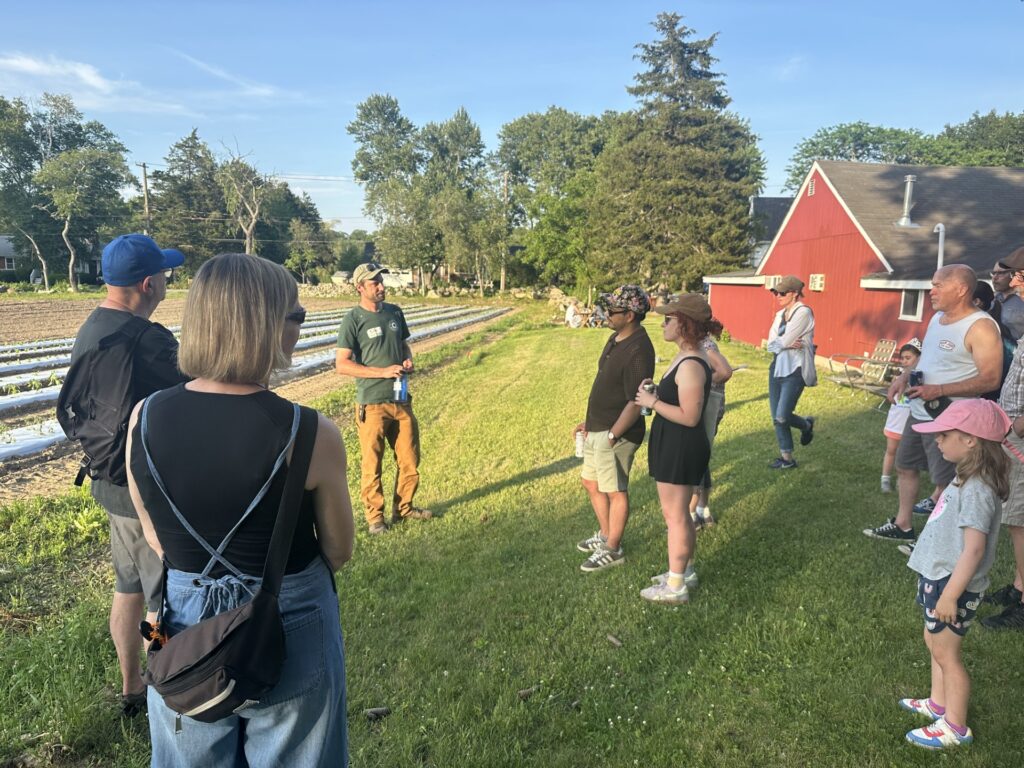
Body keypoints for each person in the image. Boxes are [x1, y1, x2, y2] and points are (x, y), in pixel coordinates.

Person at [126, 253, 354, 766]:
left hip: (181, 620)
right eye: (295, 315)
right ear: (266, 324)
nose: (300, 325)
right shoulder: (310, 432)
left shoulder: (144, 417)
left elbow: (155, 535)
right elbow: (339, 550)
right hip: (287, 613)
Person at [58, 234, 187, 716]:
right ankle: (164, 694)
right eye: (166, 278)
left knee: (127, 586)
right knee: (162, 602)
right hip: (146, 491)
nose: (168, 286)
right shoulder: (148, 339)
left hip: (107, 481)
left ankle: (132, 688)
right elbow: (192, 394)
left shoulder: (93, 326)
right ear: (149, 284)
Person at [897, 399, 1010, 749]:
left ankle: (955, 727)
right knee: (934, 641)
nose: (938, 441)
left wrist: (950, 595)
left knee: (948, 654)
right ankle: (937, 703)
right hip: (939, 577)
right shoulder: (965, 478)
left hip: (952, 585)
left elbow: (974, 550)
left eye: (945, 435)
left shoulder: (978, 489)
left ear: (971, 440)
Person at [865, 265, 1002, 544]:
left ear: (962, 289)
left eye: (939, 285)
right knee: (905, 465)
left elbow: (990, 379)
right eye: (932, 285)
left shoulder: (982, 327)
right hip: (919, 412)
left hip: (951, 419)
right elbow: (927, 358)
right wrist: (903, 376)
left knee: (946, 482)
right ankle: (903, 525)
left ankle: (936, 539)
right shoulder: (937, 318)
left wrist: (939, 389)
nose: (931, 291)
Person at [634, 294, 717, 604]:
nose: (663, 323)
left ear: (685, 323)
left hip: (682, 445)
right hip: (672, 441)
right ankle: (685, 570)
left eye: (669, 318)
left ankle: (676, 585)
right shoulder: (684, 356)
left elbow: (690, 416)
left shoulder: (693, 362)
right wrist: (658, 391)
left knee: (676, 516)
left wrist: (653, 402)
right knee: (677, 514)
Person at [336, 262, 429, 534]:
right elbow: (342, 364)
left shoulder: (395, 312)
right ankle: (375, 519)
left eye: (381, 281)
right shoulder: (352, 319)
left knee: (410, 460)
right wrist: (383, 371)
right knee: (372, 463)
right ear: (360, 287)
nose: (381, 286)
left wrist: (407, 359)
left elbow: (403, 345)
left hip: (401, 399)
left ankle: (405, 509)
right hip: (372, 403)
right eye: (374, 282)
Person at [573, 285, 655, 572]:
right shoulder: (616, 338)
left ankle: (614, 548)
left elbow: (637, 400)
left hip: (616, 433)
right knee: (591, 483)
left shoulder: (639, 350)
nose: (606, 314)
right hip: (599, 427)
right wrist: (590, 422)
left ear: (630, 314)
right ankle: (606, 534)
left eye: (612, 310)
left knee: (615, 490)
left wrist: (612, 434)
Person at [985, 247, 1024, 630]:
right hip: (1011, 426)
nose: (1012, 281)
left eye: (1017, 275)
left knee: (1022, 519)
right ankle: (1018, 585)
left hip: (1020, 433)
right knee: (1015, 516)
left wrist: (1017, 427)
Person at [765, 275, 817, 469]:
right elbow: (770, 345)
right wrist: (783, 344)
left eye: (782, 292)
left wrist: (782, 344)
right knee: (776, 417)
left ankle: (806, 426)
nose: (778, 295)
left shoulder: (803, 313)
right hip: (776, 367)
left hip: (795, 370)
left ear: (794, 294)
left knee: (782, 416)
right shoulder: (779, 315)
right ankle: (787, 459)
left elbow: (783, 342)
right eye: (776, 292)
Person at [691, 331, 733, 528]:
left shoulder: (704, 345)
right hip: (708, 410)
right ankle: (702, 508)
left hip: (705, 411)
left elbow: (724, 371)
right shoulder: (700, 344)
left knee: (695, 457)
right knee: (702, 456)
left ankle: (691, 511)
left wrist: (698, 386)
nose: (665, 324)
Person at [881, 340, 923, 493]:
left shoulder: (920, 378)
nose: (904, 361)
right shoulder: (898, 377)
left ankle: (901, 480)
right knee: (891, 450)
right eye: (903, 358)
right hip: (895, 422)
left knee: (905, 455)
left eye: (908, 358)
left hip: (909, 424)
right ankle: (885, 479)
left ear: (918, 359)